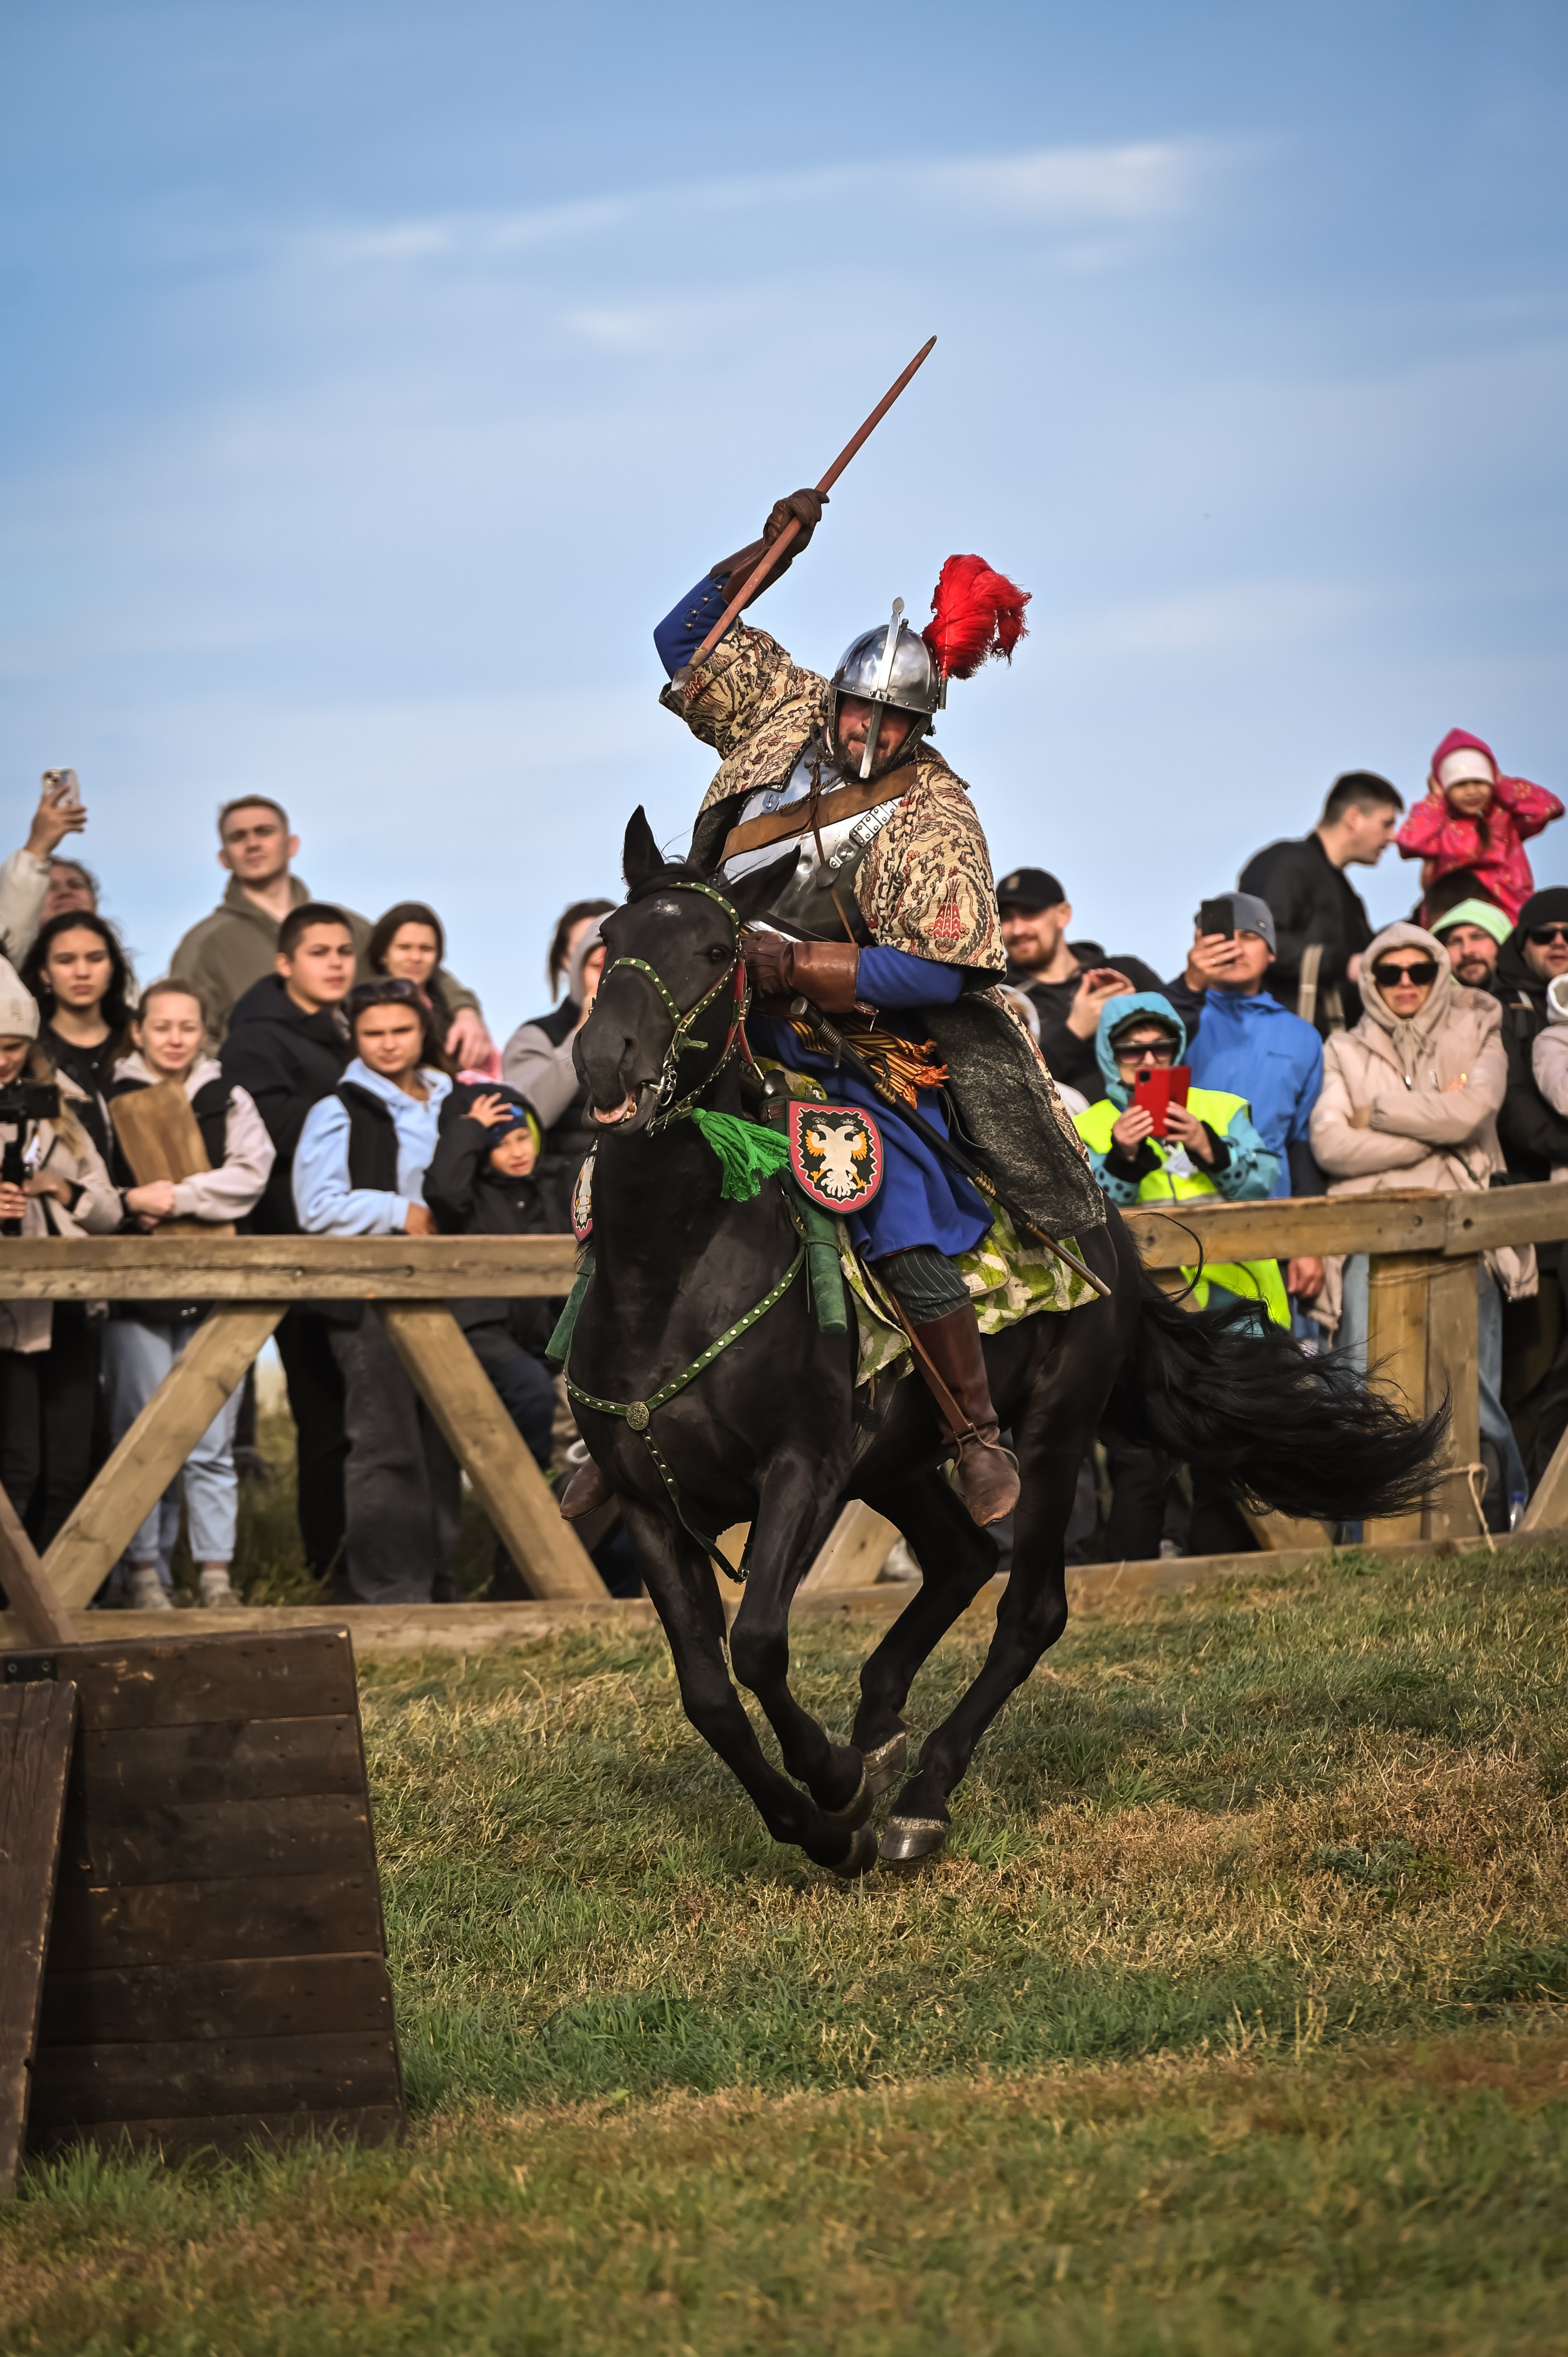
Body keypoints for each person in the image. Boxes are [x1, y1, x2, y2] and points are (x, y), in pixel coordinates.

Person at [653, 496, 1091, 1528]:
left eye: (893, 723)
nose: (868, 732)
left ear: (919, 727)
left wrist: (800, 965)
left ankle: (973, 1429)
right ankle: (620, 1413)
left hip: (847, 1051)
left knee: (883, 1199)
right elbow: (685, 639)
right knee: (623, 1167)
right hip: (716, 1018)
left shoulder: (938, 814)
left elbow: (940, 973)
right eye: (860, 711)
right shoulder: (786, 708)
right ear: (840, 694)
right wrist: (771, 549)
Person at [1309, 922, 1530, 1524]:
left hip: (1465, 1226)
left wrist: (1377, 1113)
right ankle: (1367, 1528)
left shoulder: (1479, 1022)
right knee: (1361, 1381)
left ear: (1440, 973)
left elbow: (1472, 1113)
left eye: (1420, 970)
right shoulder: (1343, 1047)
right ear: (1371, 981)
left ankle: (1509, 1513)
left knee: (1473, 1385)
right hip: (1371, 1229)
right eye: (1389, 972)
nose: (1405, 983)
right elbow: (1330, 1145)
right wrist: (1428, 1141)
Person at [1074, 995, 1282, 1560]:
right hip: (1138, 1315)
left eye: (1160, 1047)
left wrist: (1208, 1146)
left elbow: (1264, 1183)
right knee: (1140, 1455)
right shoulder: (1088, 1123)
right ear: (1109, 1056)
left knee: (1231, 1447)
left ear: (1178, 1050)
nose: (1148, 1060)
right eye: (1131, 1049)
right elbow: (1080, 1210)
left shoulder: (1220, 1107)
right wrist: (1120, 1156)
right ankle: (1132, 1581)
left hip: (1234, 1305)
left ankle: (1225, 1570)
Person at [102, 980, 276, 1610]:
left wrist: (174, 1197)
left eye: (187, 1026)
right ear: (139, 1032)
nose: (175, 1038)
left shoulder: (224, 1095)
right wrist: (126, 1203)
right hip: (134, 1293)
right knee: (140, 1438)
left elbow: (248, 1177)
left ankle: (215, 1576)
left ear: (205, 1033)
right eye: (162, 1026)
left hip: (212, 1290)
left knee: (209, 1442)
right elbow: (99, 1182)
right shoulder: (110, 1096)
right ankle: (144, 1574)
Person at [293, 979, 458, 1604]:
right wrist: (398, 1209)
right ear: (354, 1039)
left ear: (422, 1031)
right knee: (385, 1441)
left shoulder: (451, 1095)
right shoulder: (336, 1109)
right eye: (373, 1034)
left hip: (448, 1289)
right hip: (367, 1299)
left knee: (447, 1435)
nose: (388, 1044)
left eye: (400, 1030)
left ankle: (440, 1582)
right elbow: (316, 1206)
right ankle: (390, 1590)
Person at [219, 902, 357, 1576]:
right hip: (290, 1251)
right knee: (323, 1418)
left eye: (343, 951)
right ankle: (327, 1568)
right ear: (284, 963)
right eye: (319, 952)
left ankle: (369, 1562)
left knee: (360, 1415)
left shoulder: (341, 1033)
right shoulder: (255, 1038)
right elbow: (266, 1134)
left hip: (351, 1245)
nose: (335, 962)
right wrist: (363, 1099)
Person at [172, 795, 492, 1060]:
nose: (253, 844)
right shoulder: (204, 946)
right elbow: (183, 1033)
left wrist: (464, 1010)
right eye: (238, 837)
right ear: (223, 857)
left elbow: (411, 965)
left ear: (292, 844)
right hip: (262, 1108)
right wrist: (245, 1074)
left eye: (264, 831)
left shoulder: (346, 926)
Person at [0, 957, 120, 1551]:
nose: (3, 1060)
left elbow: (110, 1210)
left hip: (69, 1305)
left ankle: (57, 1608)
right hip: (8, 1317)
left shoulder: (60, 1113)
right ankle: (12, 1612)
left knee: (70, 1468)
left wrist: (59, 1187)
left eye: (14, 1046)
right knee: (17, 1465)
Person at [423, 1082, 560, 1593]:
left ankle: (531, 1563)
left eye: (521, 1137)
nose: (517, 1151)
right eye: (499, 1143)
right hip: (481, 1329)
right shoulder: (469, 1197)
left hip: (541, 1335)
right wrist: (467, 1131)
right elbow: (441, 1190)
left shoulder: (550, 1187)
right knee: (528, 1389)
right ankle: (534, 1471)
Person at [1488, 888, 1568, 1479]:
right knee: (1532, 1370)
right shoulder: (1504, 1007)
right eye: (1546, 935)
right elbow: (1514, 1107)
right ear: (1524, 943)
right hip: (1528, 1213)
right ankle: (1521, 1504)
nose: (1560, 944)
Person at [1240, 772, 1404, 1035]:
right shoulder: (1285, 863)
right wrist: (1342, 964)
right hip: (1281, 1047)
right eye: (1387, 823)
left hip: (1334, 1055)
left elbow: (1367, 957)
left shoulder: (1346, 894)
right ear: (1354, 818)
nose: (1394, 836)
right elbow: (1258, 941)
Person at [993, 867, 1156, 1097]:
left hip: (1146, 1123)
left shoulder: (1126, 972)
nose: (1017, 929)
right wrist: (1076, 1031)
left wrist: (1143, 1010)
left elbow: (1186, 1036)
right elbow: (1002, 1087)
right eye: (1005, 917)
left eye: (1030, 913)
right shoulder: (997, 996)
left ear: (1063, 914)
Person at [1396, 730, 1562, 927]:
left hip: (1511, 920)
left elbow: (1549, 808)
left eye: (1479, 782)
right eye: (1461, 785)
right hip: (1455, 918)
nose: (1472, 792)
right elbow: (1410, 842)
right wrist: (1437, 799)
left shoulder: (1503, 818)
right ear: (1445, 787)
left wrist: (1501, 785)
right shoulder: (1442, 826)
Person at [502, 917, 607, 1225]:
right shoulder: (536, 1036)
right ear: (577, 973)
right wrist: (582, 1033)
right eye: (597, 966)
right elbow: (533, 1114)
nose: (608, 976)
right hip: (560, 1201)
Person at [19, 911, 137, 1164]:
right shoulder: (25, 1054)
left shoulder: (145, 1041)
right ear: (45, 973)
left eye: (95, 959)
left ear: (112, 967)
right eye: (66, 960)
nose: (82, 972)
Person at [366, 900, 497, 1078]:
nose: (415, 957)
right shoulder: (365, 1007)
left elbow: (493, 1071)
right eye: (404, 947)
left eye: (426, 949)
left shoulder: (452, 1011)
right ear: (383, 954)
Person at [0, 774, 90, 965]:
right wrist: (38, 845)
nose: (65, 893)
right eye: (51, 887)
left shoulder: (124, 982)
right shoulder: (12, 973)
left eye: (76, 885)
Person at [1430, 897, 1512, 992]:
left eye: (1477, 937)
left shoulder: (1530, 1002)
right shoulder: (1430, 1007)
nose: (1466, 951)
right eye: (1455, 942)